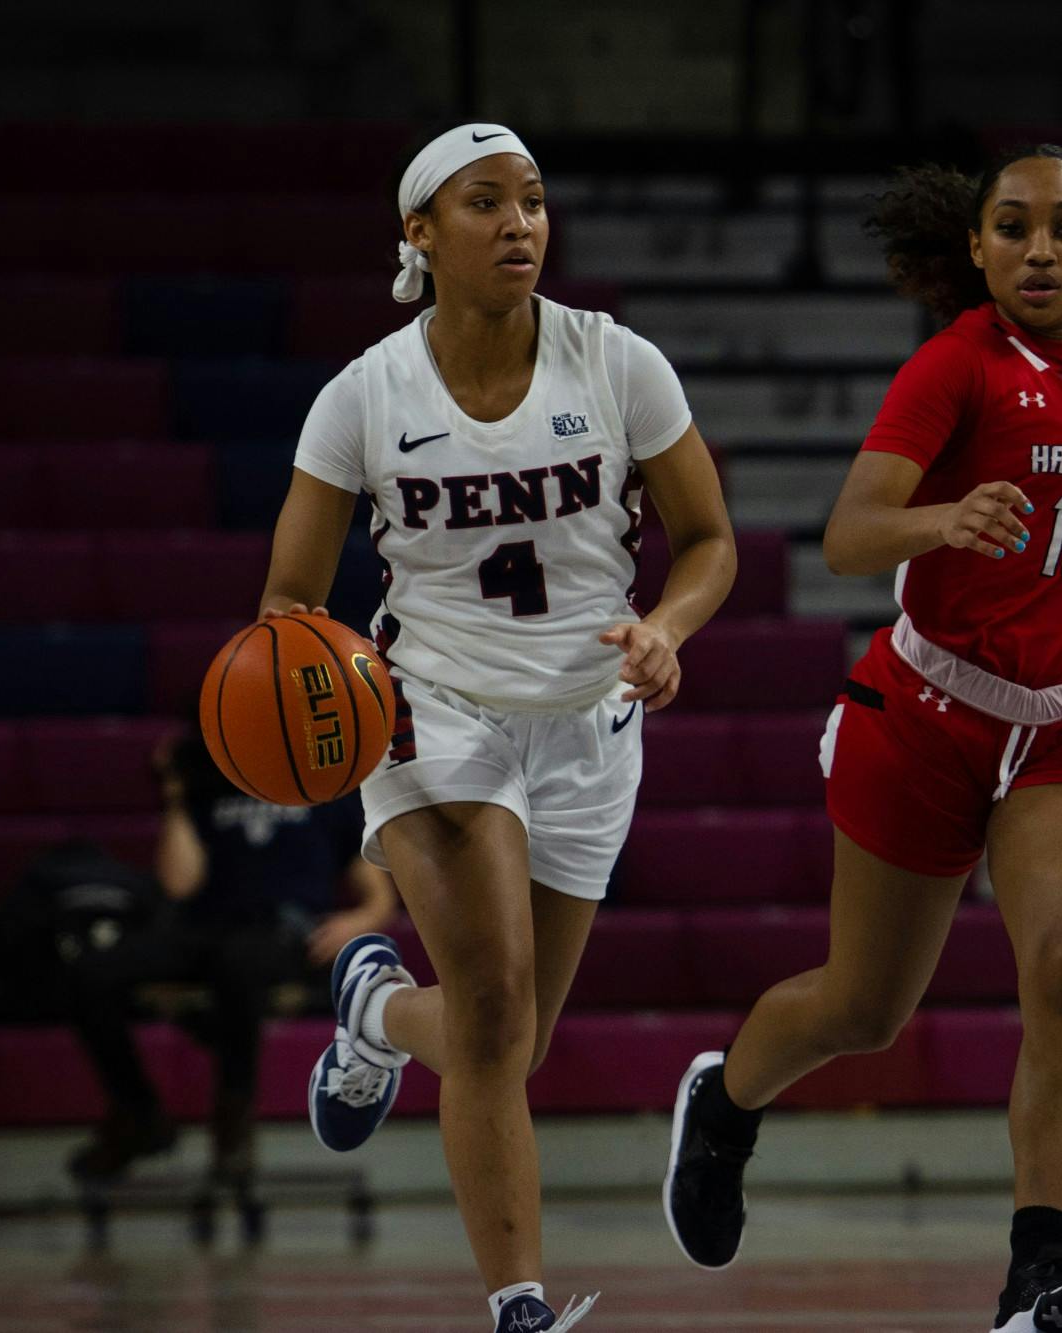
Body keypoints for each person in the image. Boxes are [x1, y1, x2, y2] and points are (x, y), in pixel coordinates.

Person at [663, 144, 1062, 1333]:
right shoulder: (956, 365)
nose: (1038, 249)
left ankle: (1039, 1273)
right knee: (863, 1011)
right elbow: (848, 535)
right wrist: (945, 519)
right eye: (1012, 227)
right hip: (926, 711)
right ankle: (723, 1106)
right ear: (977, 247)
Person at [262, 121, 735, 1333]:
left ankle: (373, 1009)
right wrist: (319, 692)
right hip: (434, 709)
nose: (519, 222)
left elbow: (709, 542)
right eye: (485, 202)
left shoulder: (617, 363)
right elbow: (289, 603)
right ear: (419, 233)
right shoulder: (364, 396)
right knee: (487, 1013)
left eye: (530, 199)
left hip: (590, 722)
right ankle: (519, 1309)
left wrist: (666, 626)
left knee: (506, 1047)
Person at [66, 728, 395, 1187]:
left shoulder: (324, 789)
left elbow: (378, 897)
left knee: (238, 962)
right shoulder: (209, 786)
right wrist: (176, 795)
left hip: (285, 932)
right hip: (204, 929)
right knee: (91, 972)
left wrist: (359, 920)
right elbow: (178, 884)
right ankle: (138, 1113)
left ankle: (233, 1119)